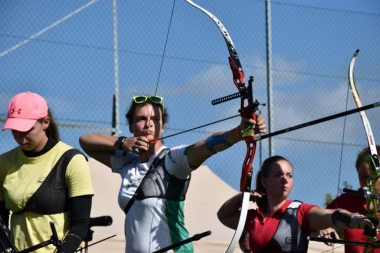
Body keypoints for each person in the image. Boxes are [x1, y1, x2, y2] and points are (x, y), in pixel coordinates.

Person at [79, 95, 266, 253]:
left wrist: (239, 132)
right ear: (131, 125)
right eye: (141, 119)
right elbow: (85, 141)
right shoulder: (128, 163)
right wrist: (122, 142)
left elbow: (207, 146)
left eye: (155, 119)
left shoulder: (173, 160)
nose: (148, 125)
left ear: (163, 125)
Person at [217, 155, 376, 253]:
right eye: (278, 175)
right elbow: (223, 215)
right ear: (264, 181)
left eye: (289, 175)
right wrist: (243, 197)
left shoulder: (300, 211)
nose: (285, 179)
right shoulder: (254, 218)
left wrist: (356, 220)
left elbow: (331, 215)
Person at [0, 91, 94, 253]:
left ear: (45, 122)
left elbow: (80, 224)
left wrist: (67, 248)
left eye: (26, 129)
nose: (20, 137)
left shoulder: (72, 160)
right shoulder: (4, 162)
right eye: (15, 129)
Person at [327, 145, 380, 253]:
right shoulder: (347, 200)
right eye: (364, 177)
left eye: (373, 178)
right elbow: (315, 217)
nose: (368, 183)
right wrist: (325, 227)